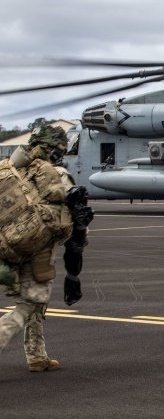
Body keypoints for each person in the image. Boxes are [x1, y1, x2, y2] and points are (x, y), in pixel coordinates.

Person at [0, 125, 75, 372]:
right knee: (32, 301)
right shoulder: (56, 174)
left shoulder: (9, 170)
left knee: (33, 301)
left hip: (7, 247)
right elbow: (68, 217)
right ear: (52, 150)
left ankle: (36, 355)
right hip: (36, 251)